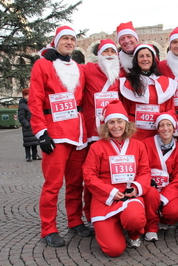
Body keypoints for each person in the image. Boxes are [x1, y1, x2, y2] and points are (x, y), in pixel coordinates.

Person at [28, 25, 92, 247]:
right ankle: (48, 228)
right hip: (55, 135)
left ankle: (75, 221)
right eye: (64, 38)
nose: (69, 42)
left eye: (72, 39)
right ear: (56, 42)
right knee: (53, 184)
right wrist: (40, 132)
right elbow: (34, 100)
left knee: (76, 183)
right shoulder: (42, 65)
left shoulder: (79, 68)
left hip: (78, 134)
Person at [82, 100, 150, 257]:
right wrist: (110, 191)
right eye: (111, 122)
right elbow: (89, 176)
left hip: (128, 196)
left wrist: (136, 188)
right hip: (105, 199)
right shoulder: (96, 147)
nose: (116, 126)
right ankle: (115, 227)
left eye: (120, 121)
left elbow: (145, 171)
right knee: (113, 250)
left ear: (126, 124)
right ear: (106, 126)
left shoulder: (138, 146)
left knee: (134, 219)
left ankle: (133, 234)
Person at [81, 39, 121, 228]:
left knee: (115, 173)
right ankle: (89, 214)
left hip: (116, 132)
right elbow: (67, 70)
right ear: (99, 55)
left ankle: (117, 209)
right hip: (94, 132)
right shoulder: (88, 70)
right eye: (106, 51)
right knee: (92, 176)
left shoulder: (121, 74)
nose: (110, 54)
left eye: (113, 51)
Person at [143, 110, 178, 241]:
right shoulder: (146, 144)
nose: (165, 128)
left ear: (174, 128)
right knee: (151, 195)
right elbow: (141, 168)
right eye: (161, 125)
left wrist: (165, 197)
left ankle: (163, 219)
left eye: (168, 125)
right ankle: (151, 226)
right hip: (150, 188)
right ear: (157, 128)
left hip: (168, 189)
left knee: (175, 212)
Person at [120, 44, 176, 140]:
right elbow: (124, 109)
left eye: (148, 56)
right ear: (136, 60)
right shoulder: (128, 82)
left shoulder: (166, 82)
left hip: (159, 132)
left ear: (153, 59)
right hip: (135, 134)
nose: (145, 59)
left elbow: (170, 109)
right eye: (141, 56)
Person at [18, 88, 41, 162]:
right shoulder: (22, 105)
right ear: (25, 95)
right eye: (28, 95)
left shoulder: (31, 103)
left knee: (34, 141)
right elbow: (21, 117)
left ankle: (35, 155)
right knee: (27, 142)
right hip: (27, 126)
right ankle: (28, 156)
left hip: (33, 125)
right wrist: (27, 124)